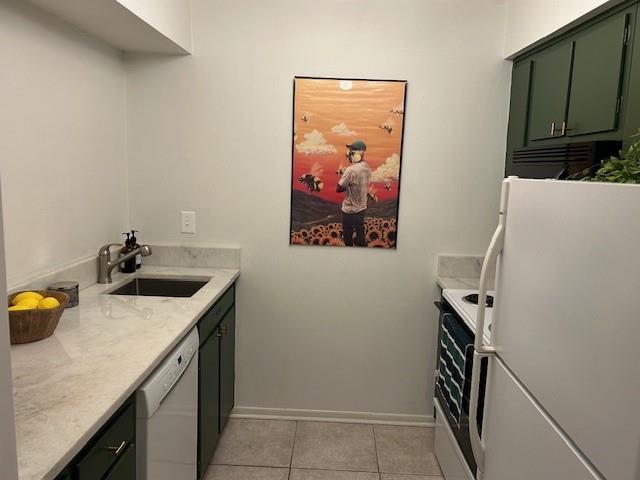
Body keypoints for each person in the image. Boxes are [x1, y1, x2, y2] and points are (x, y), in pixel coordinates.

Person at [336, 140, 371, 247]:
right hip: (361, 207)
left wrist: (344, 179)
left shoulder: (350, 170)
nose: (349, 154)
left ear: (358, 153)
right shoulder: (367, 168)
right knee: (360, 234)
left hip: (349, 209)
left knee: (348, 237)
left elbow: (339, 188)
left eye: (351, 152)